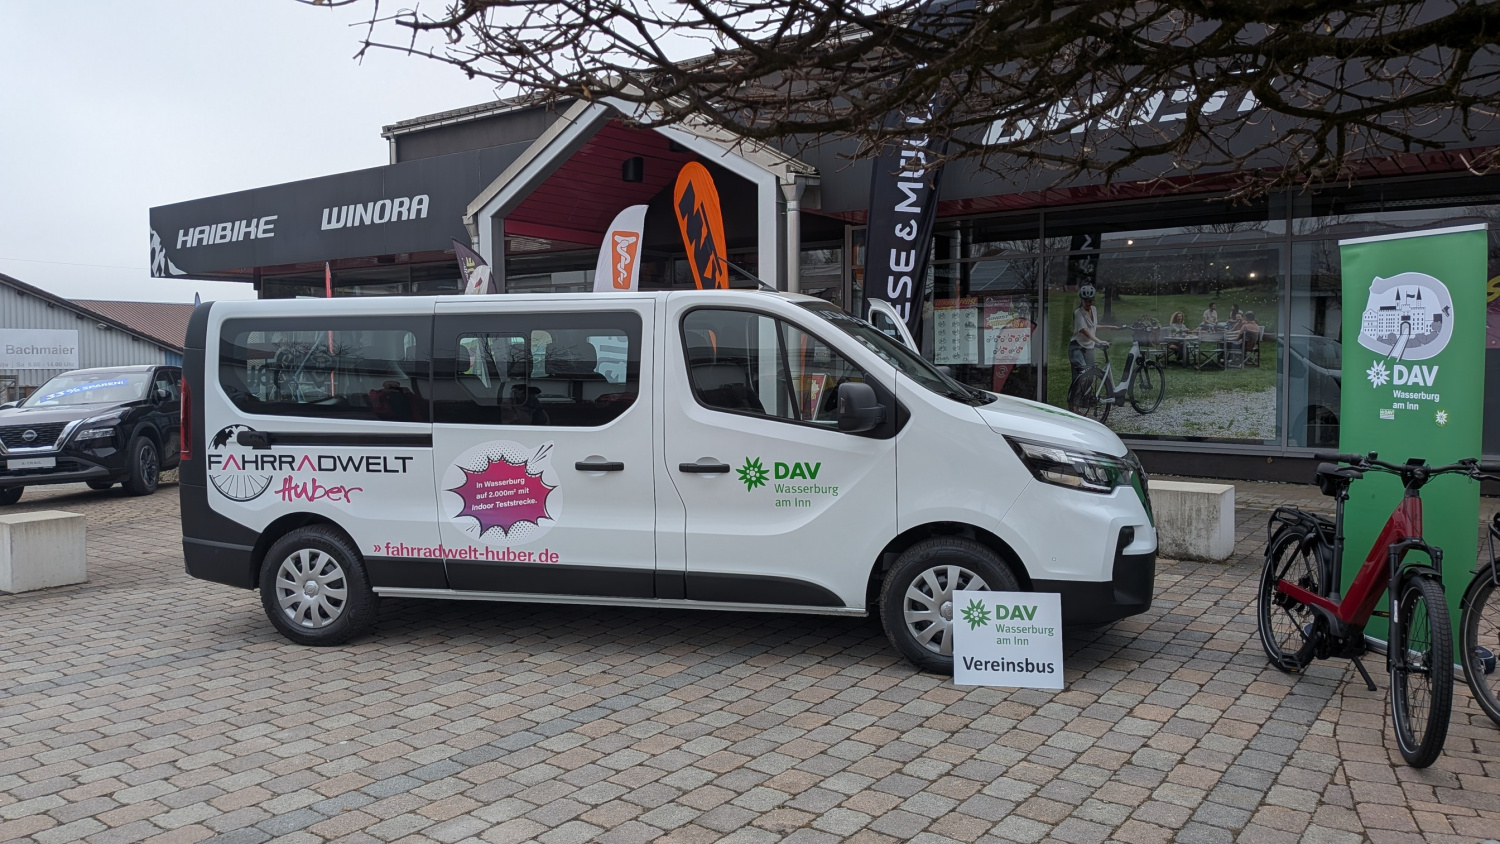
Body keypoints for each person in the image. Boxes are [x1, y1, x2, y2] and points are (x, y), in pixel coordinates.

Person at [1068, 284, 1114, 411]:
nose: (1088, 303)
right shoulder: (1078, 313)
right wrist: (1099, 341)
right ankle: (1074, 406)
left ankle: (1082, 402)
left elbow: (1093, 326)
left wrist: (1109, 327)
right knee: (1083, 376)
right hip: (1077, 347)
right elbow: (1084, 330)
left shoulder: (1093, 309)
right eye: (1085, 301)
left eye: (1090, 300)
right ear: (1081, 300)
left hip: (1089, 348)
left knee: (1090, 377)